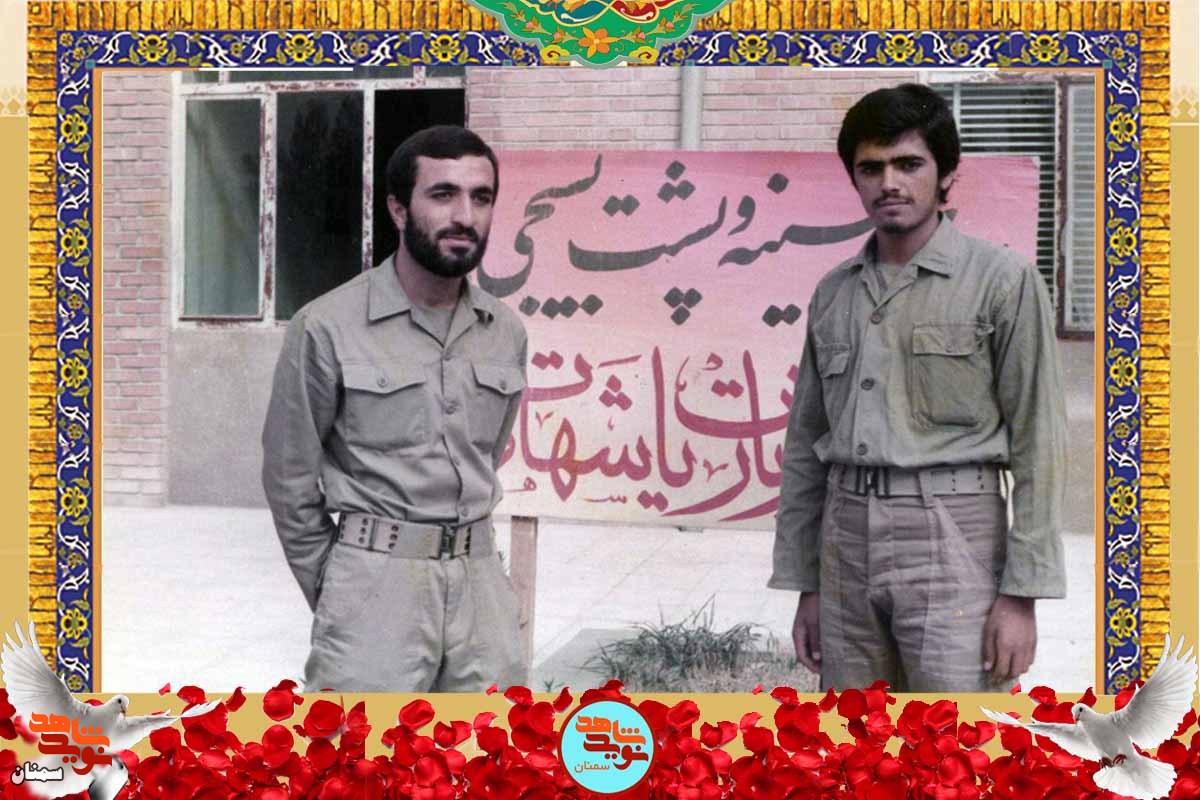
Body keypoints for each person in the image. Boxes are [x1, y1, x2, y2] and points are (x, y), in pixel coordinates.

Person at [770, 84, 1068, 692]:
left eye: (909, 164)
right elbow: (805, 447)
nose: (890, 183)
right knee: (854, 733)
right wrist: (808, 584)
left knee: (956, 734)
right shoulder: (834, 292)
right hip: (845, 538)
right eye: (871, 168)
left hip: (954, 534)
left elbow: (1039, 440)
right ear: (854, 179)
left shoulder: (1002, 280)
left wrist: (1022, 595)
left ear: (947, 173)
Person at [262, 125, 528, 692]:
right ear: (399, 209)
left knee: (495, 744)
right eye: (443, 194)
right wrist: (336, 583)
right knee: (363, 747)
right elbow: (288, 477)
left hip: (482, 589)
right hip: (375, 588)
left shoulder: (504, 331)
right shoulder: (327, 326)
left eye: (481, 197)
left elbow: (487, 454)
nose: (465, 216)